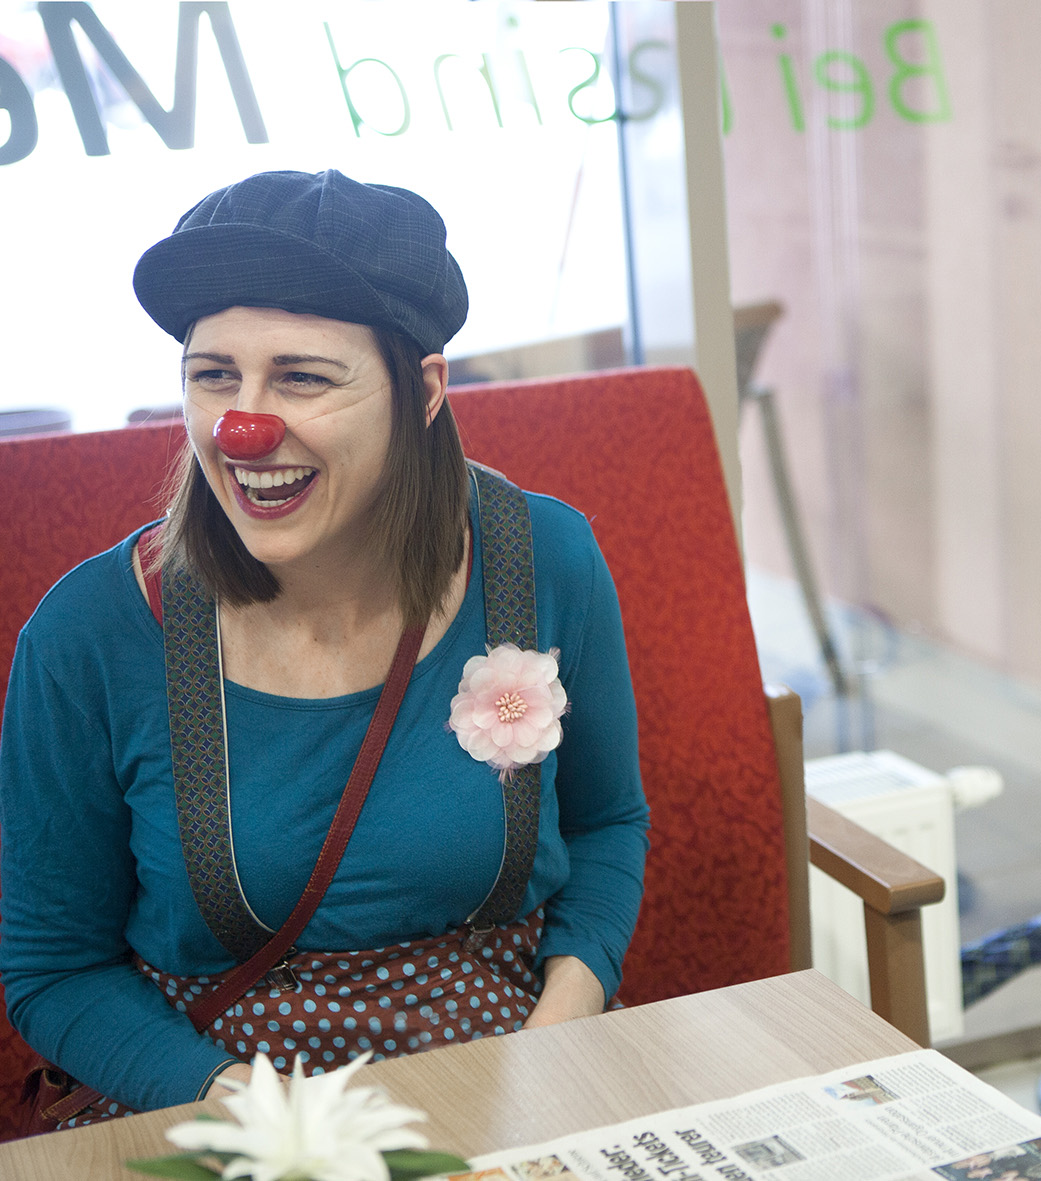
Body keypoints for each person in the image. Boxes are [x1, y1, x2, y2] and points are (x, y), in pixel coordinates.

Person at [0, 170, 649, 1119]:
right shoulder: (87, 635)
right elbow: (53, 966)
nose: (244, 426)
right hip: (223, 1105)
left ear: (423, 390)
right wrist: (252, 1109)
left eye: (302, 376)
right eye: (213, 374)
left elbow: (606, 824)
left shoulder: (544, 558)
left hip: (519, 1068)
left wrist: (564, 1024)